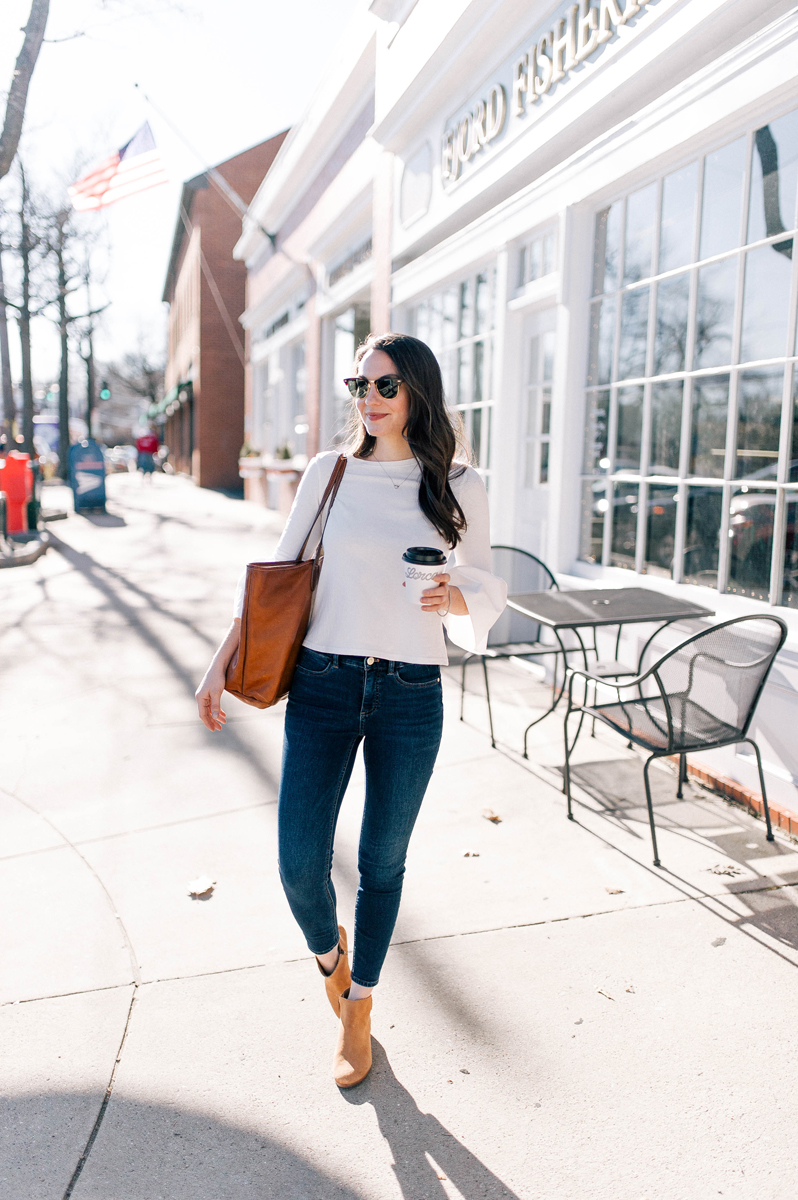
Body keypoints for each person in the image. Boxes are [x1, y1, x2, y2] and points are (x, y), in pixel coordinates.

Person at [195, 333, 506, 1088]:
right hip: (326, 683)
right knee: (299, 862)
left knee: (381, 863)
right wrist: (219, 663)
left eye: (385, 386)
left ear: (418, 393)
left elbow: (489, 588)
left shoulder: (459, 482)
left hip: (410, 693)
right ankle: (332, 958)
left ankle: (359, 1006)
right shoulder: (328, 473)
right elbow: (279, 576)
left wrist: (454, 593)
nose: (368, 399)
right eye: (358, 385)